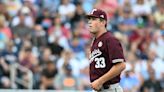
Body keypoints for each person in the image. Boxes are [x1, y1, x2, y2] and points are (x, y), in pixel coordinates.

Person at [85, 9, 126, 92]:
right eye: (89, 19)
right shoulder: (95, 41)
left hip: (109, 89)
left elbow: (121, 65)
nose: (89, 22)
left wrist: (100, 81)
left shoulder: (110, 40)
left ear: (103, 22)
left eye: (93, 19)